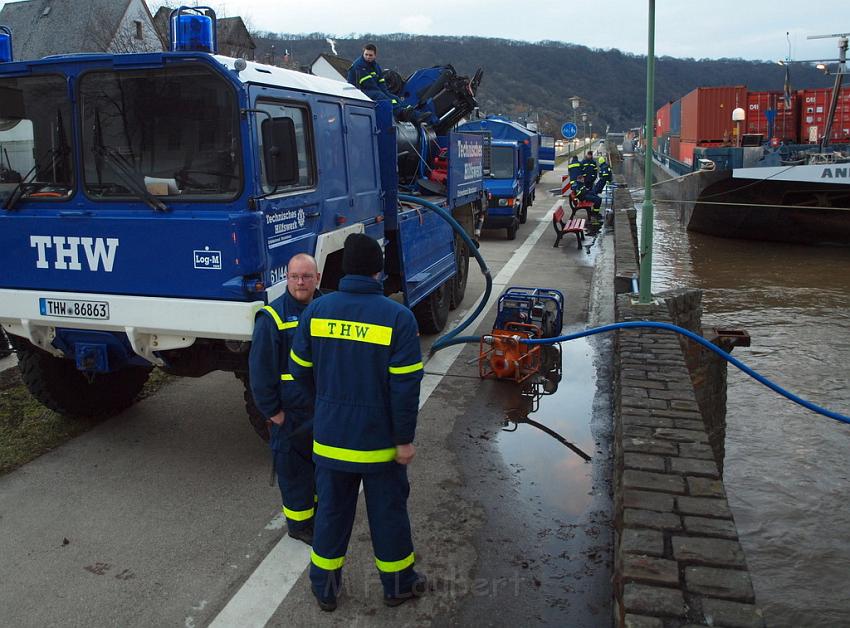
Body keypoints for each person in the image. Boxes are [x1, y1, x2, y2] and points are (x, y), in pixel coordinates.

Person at [290, 233, 427, 612]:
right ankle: (398, 586)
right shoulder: (398, 317)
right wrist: (404, 440)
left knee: (331, 516)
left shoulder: (316, 312)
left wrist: (326, 402)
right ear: (378, 271)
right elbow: (404, 389)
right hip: (379, 445)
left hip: (331, 440)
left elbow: (299, 371)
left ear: (345, 268)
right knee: (389, 516)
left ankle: (325, 590)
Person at [248, 253, 322, 545]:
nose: (300, 282)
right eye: (294, 277)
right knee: (294, 474)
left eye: (306, 276)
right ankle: (300, 525)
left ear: (317, 278)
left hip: (319, 410)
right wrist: (273, 412)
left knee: (319, 469)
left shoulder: (327, 309)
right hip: (289, 415)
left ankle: (316, 515)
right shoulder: (273, 318)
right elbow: (260, 372)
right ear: (286, 279)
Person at [347, 43, 422, 124]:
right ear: (363, 54)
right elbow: (369, 85)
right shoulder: (359, 66)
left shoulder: (376, 66)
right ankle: (400, 113)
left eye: (370, 55)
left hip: (372, 89)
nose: (368, 57)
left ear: (375, 55)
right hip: (359, 91)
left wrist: (386, 92)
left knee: (395, 97)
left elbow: (381, 82)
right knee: (382, 97)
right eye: (366, 54)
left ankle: (415, 115)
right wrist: (383, 93)